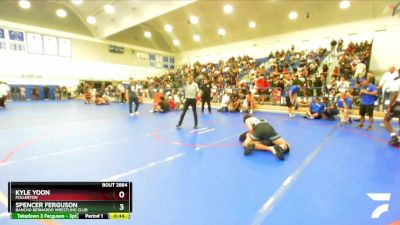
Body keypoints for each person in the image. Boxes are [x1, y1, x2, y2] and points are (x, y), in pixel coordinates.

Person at [383, 70, 400, 146]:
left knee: (386, 120)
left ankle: (394, 137)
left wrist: (389, 106)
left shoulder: (397, 81)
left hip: (398, 104)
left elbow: (395, 93)